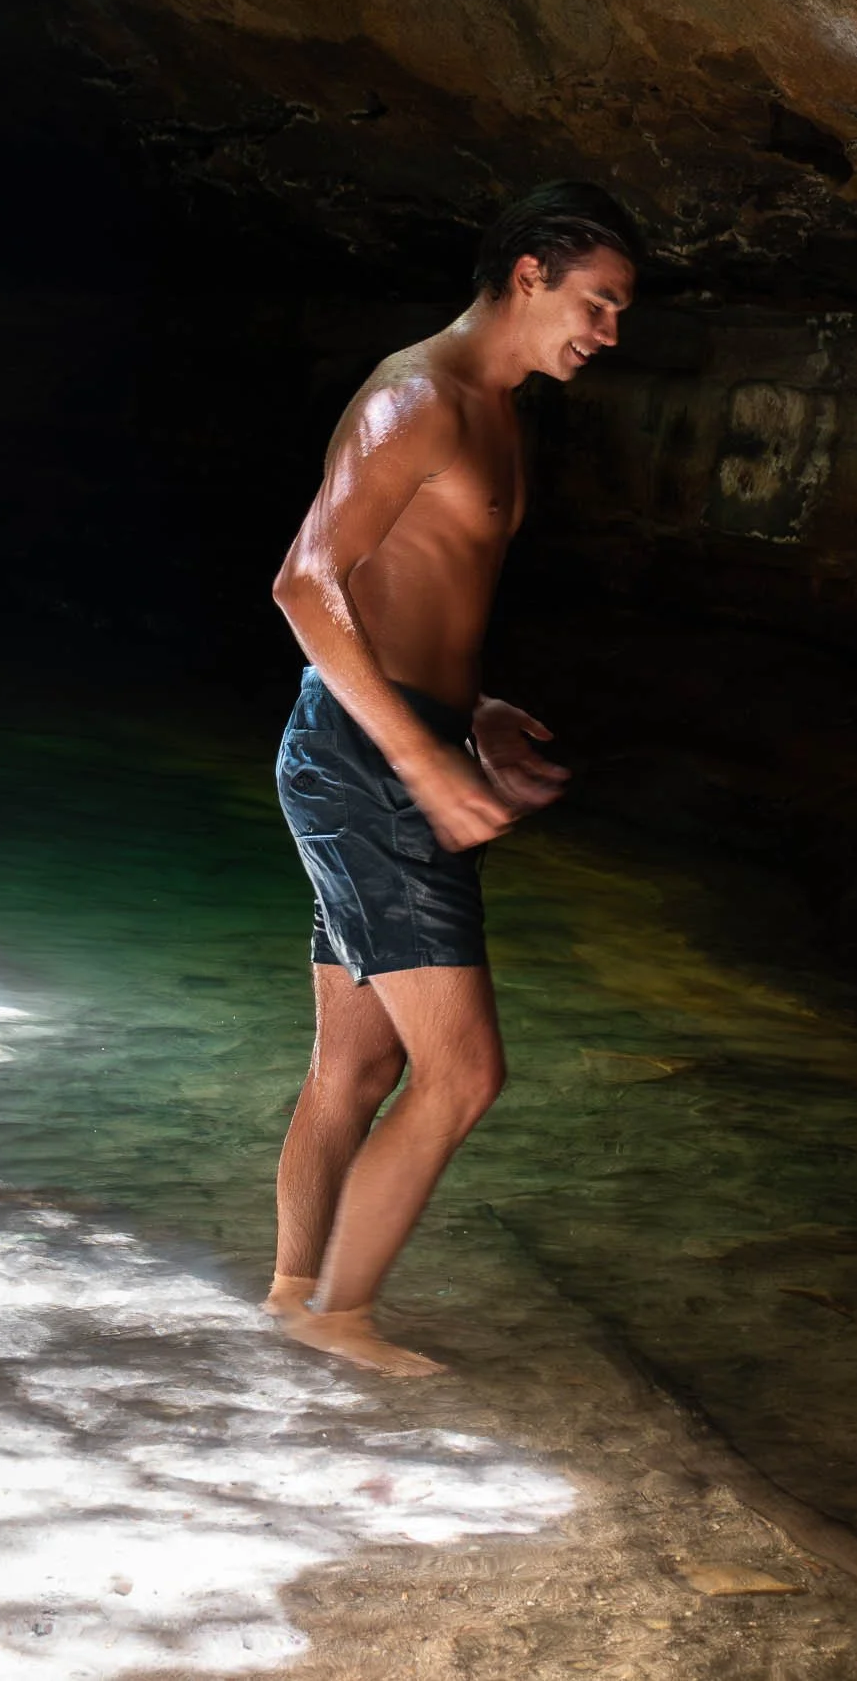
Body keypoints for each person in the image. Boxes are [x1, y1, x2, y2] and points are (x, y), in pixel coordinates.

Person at [265, 181, 641, 1375]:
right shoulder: (415, 401)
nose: (608, 333)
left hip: (376, 743)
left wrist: (464, 711)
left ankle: (290, 1297)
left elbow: (398, 592)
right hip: (366, 762)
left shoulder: (494, 405)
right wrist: (420, 758)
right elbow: (304, 585)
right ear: (528, 274)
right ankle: (338, 1316)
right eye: (597, 303)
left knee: (359, 1063)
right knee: (464, 1073)